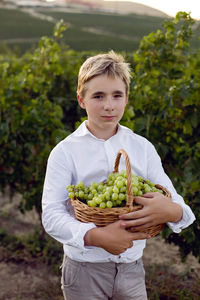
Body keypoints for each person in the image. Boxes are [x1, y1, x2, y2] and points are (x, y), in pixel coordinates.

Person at [41, 50, 195, 300]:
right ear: (81, 100)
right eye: (98, 96)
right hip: (84, 271)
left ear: (126, 99)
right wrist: (96, 236)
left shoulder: (142, 148)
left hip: (132, 270)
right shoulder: (64, 152)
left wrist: (173, 211)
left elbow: (178, 206)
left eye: (117, 95)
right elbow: (51, 214)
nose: (109, 105)